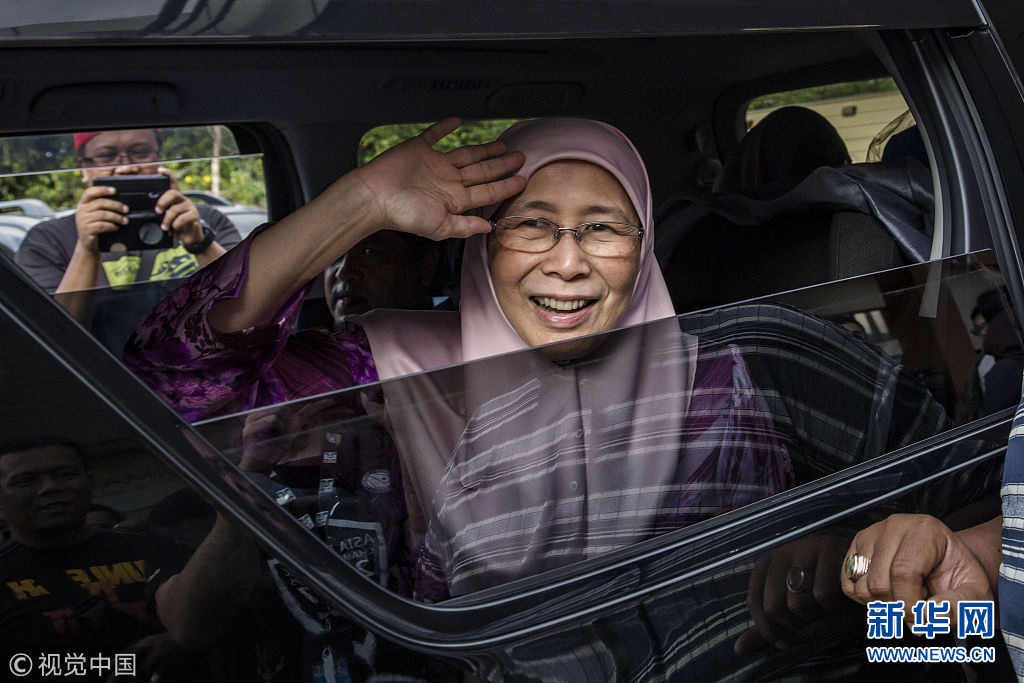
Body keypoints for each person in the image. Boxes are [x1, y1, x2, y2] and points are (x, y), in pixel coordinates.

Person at [0, 437, 258, 679]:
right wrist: (117, 665)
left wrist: (176, 643)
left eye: (65, 474)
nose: (50, 487)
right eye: (24, 481)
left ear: (89, 483)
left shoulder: (155, 547)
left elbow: (222, 618)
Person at [15, 128, 242, 294]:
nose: (125, 167)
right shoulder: (47, 241)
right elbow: (54, 333)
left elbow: (247, 302)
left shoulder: (206, 220)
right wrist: (86, 250)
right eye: (106, 156)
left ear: (158, 158)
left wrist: (200, 242)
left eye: (140, 152)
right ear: (83, 167)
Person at [323, 229, 446, 327]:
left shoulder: (451, 340)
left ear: (426, 266)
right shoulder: (316, 344)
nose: (343, 273)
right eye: (335, 254)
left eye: (369, 252)